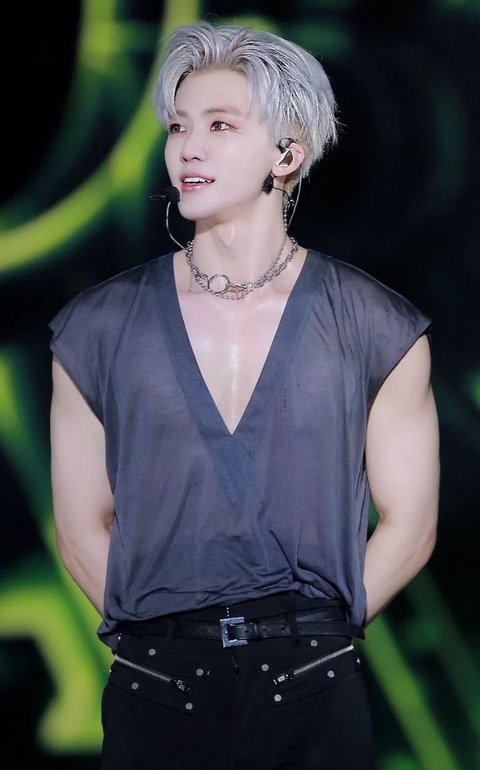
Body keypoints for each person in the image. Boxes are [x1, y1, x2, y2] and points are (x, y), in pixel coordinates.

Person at [49, 21, 439, 770]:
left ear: (287, 155)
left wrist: (314, 642)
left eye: (220, 126)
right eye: (178, 127)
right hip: (158, 686)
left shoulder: (374, 325)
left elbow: (411, 525)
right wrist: (158, 644)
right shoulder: (97, 327)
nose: (187, 148)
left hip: (312, 683)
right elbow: (80, 527)